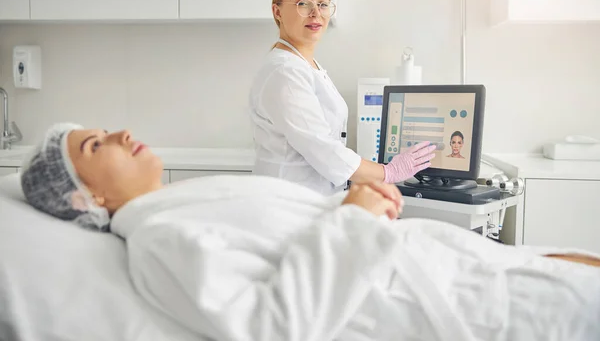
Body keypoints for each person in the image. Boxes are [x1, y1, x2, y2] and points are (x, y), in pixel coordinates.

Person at [20, 123, 600, 341]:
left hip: (452, 265)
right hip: (448, 305)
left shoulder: (178, 204)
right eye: (95, 146)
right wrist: (355, 214)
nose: (121, 132)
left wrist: (363, 199)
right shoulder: (157, 242)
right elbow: (273, 326)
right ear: (87, 196)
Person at [249, 0, 436, 195]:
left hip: (312, 199)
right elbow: (323, 148)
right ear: (277, 11)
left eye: (323, 4)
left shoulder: (306, 66)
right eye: (302, 4)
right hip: (288, 204)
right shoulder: (284, 71)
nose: (315, 13)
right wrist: (389, 172)